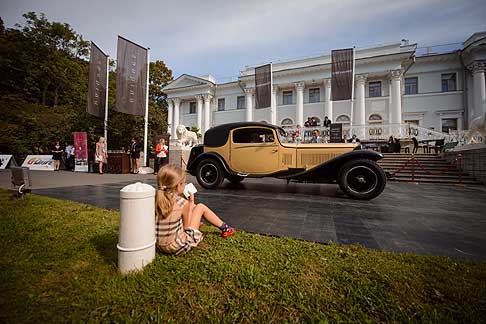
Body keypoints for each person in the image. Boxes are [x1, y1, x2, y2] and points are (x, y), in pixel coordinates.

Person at [155, 164, 236, 255]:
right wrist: (191, 202)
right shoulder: (183, 203)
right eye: (184, 183)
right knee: (200, 207)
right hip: (176, 247)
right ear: (178, 186)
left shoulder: (156, 198)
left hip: (157, 245)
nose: (185, 185)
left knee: (193, 208)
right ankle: (226, 228)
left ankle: (200, 222)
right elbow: (187, 227)